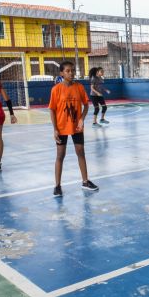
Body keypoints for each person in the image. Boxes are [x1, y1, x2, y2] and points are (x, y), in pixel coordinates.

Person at [49, 61, 98, 197]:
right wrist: (55, 129)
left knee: (80, 152)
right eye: (68, 71)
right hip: (61, 127)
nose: (71, 73)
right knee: (60, 155)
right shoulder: (56, 89)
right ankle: (57, 185)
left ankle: (85, 181)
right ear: (61, 73)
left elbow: (86, 105)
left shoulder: (79, 87)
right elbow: (52, 110)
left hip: (77, 126)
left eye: (72, 70)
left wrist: (82, 119)